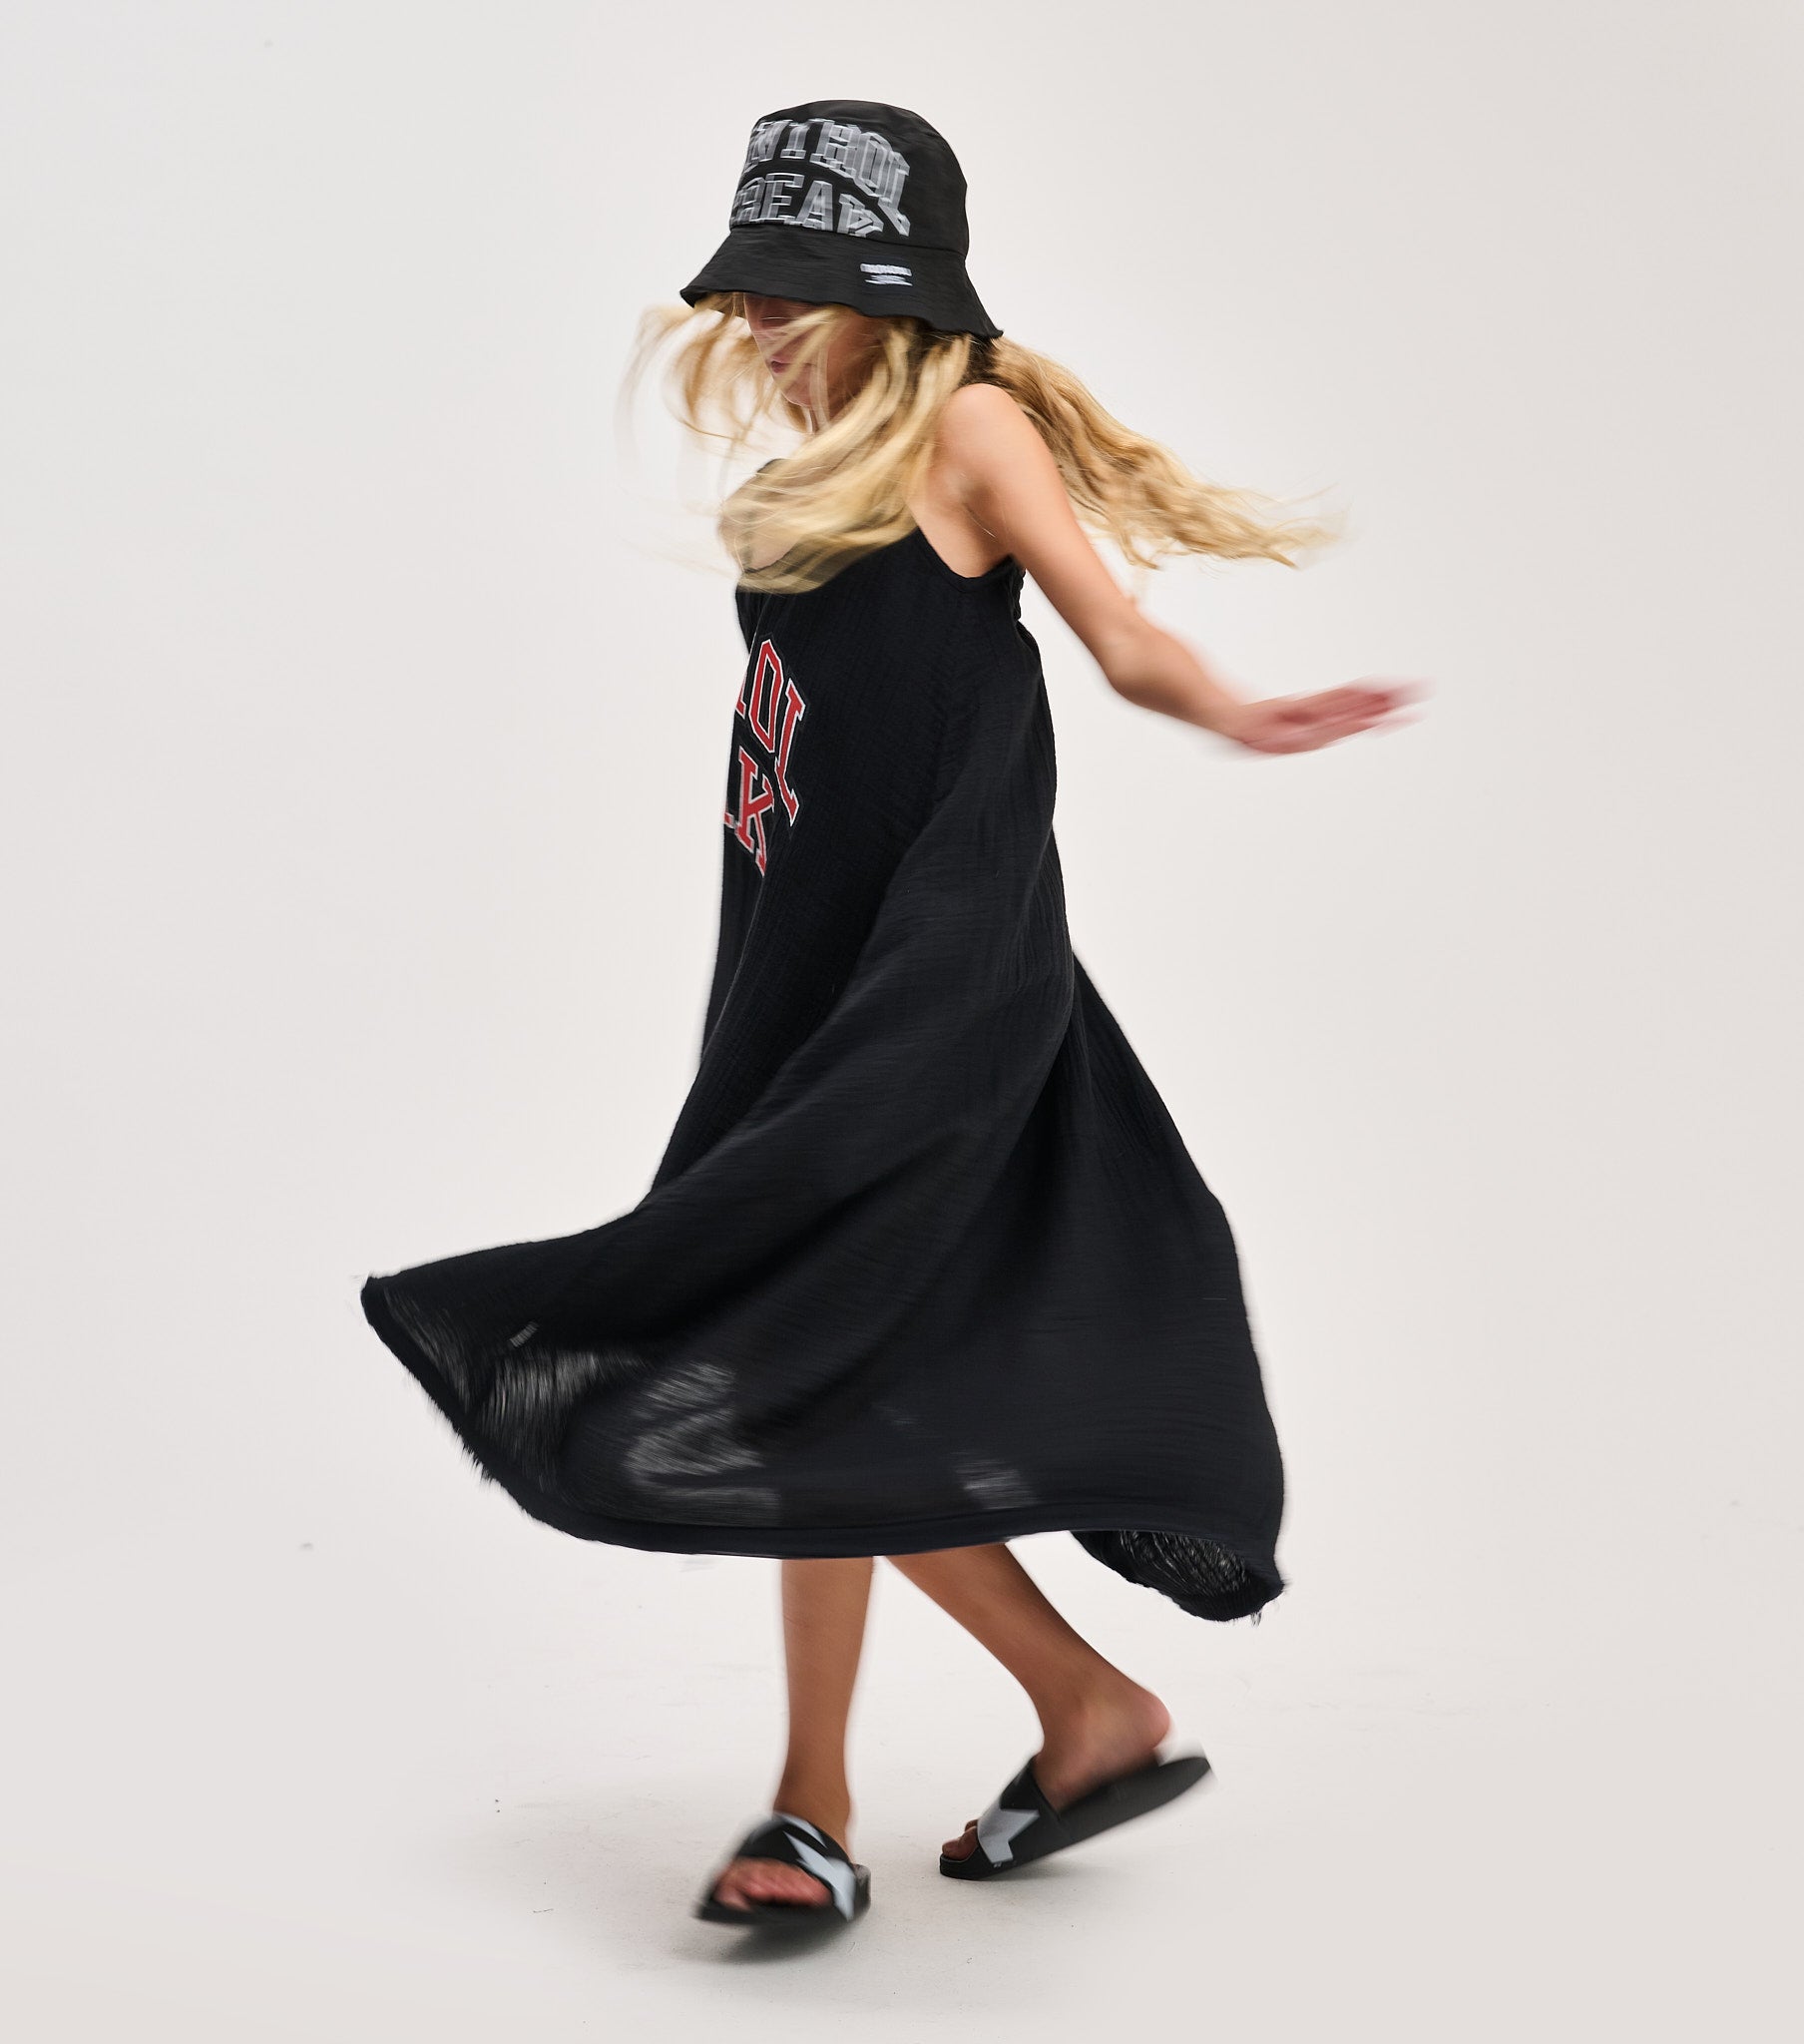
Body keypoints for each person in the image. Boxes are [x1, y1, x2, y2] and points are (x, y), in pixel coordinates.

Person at [359, 98, 1421, 1936]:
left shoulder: (970, 429)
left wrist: (1241, 713)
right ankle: (1064, 1719)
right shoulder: (816, 461)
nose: (758, 325)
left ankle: (836, 1798)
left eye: (795, 294)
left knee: (790, 1368)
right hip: (796, 969)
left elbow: (1119, 637)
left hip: (929, 985)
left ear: (892, 290)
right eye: (747, 293)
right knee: (815, 1368)